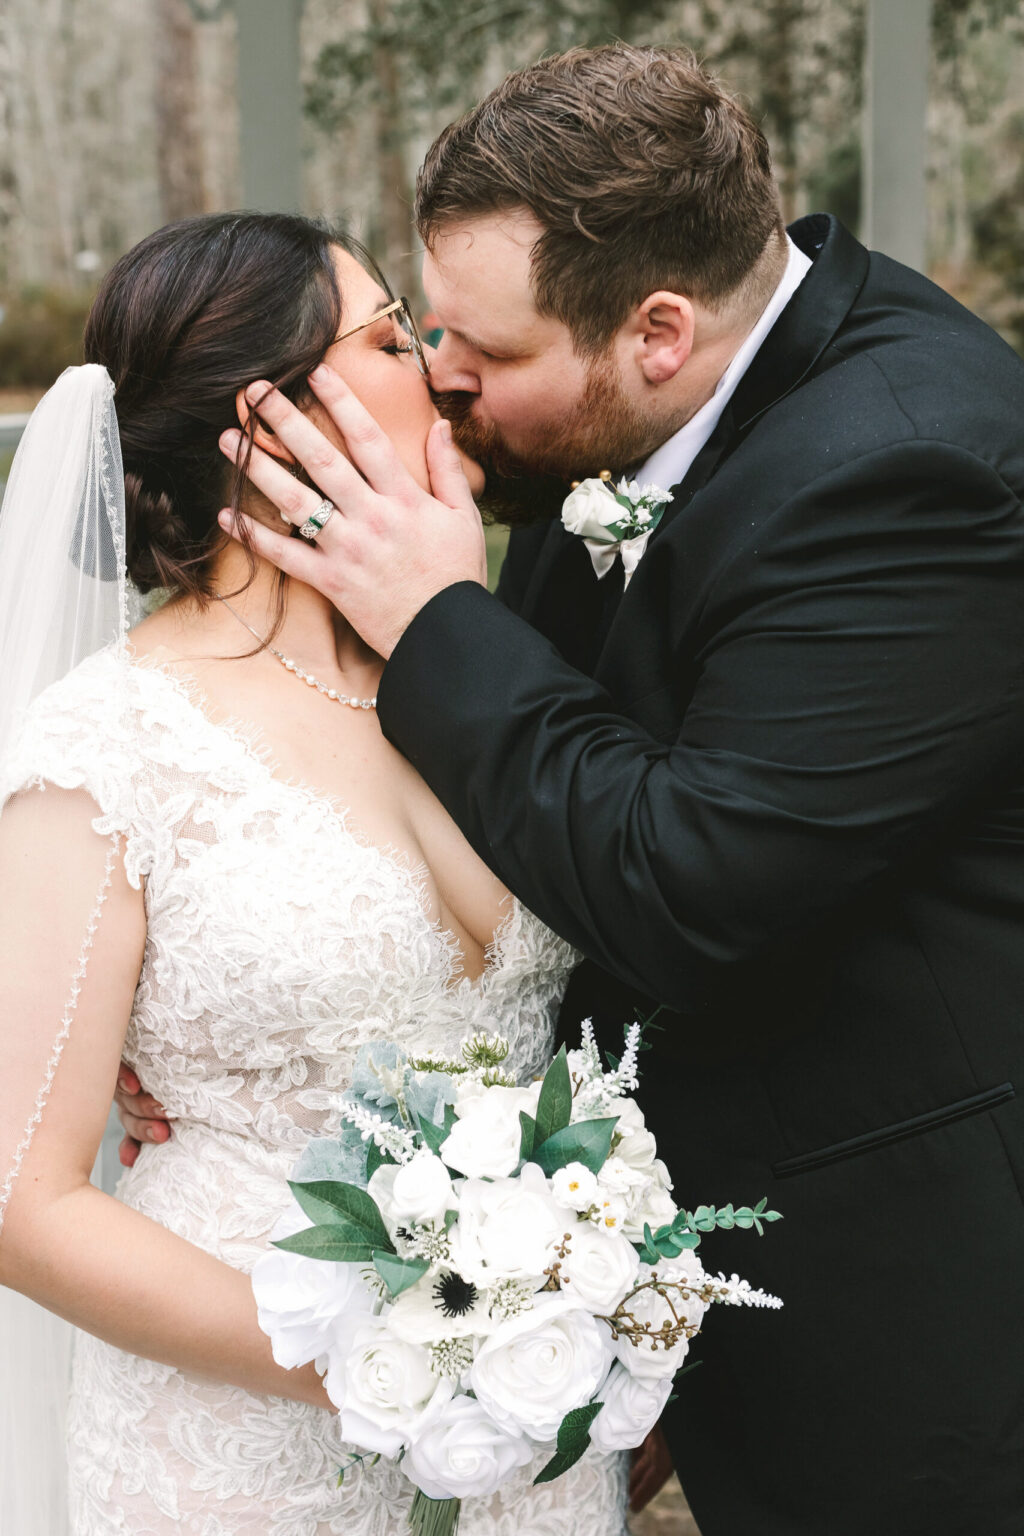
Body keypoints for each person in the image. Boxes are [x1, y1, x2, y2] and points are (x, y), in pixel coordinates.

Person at [125, 43, 1024, 1536]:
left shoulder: (914, 470)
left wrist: (435, 615)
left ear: (655, 331)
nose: (442, 379)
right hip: (608, 1303)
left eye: (481, 348)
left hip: (913, 1323)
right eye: (419, 327)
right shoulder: (604, 424)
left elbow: (683, 886)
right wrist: (189, 1016)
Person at [0, 211, 637, 1535]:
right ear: (277, 418)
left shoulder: (475, 680)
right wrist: (395, 1364)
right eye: (396, 334)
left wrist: (553, 1346)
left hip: (528, 1442)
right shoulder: (107, 748)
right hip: (244, 1447)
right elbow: (22, 1198)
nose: (442, 363)